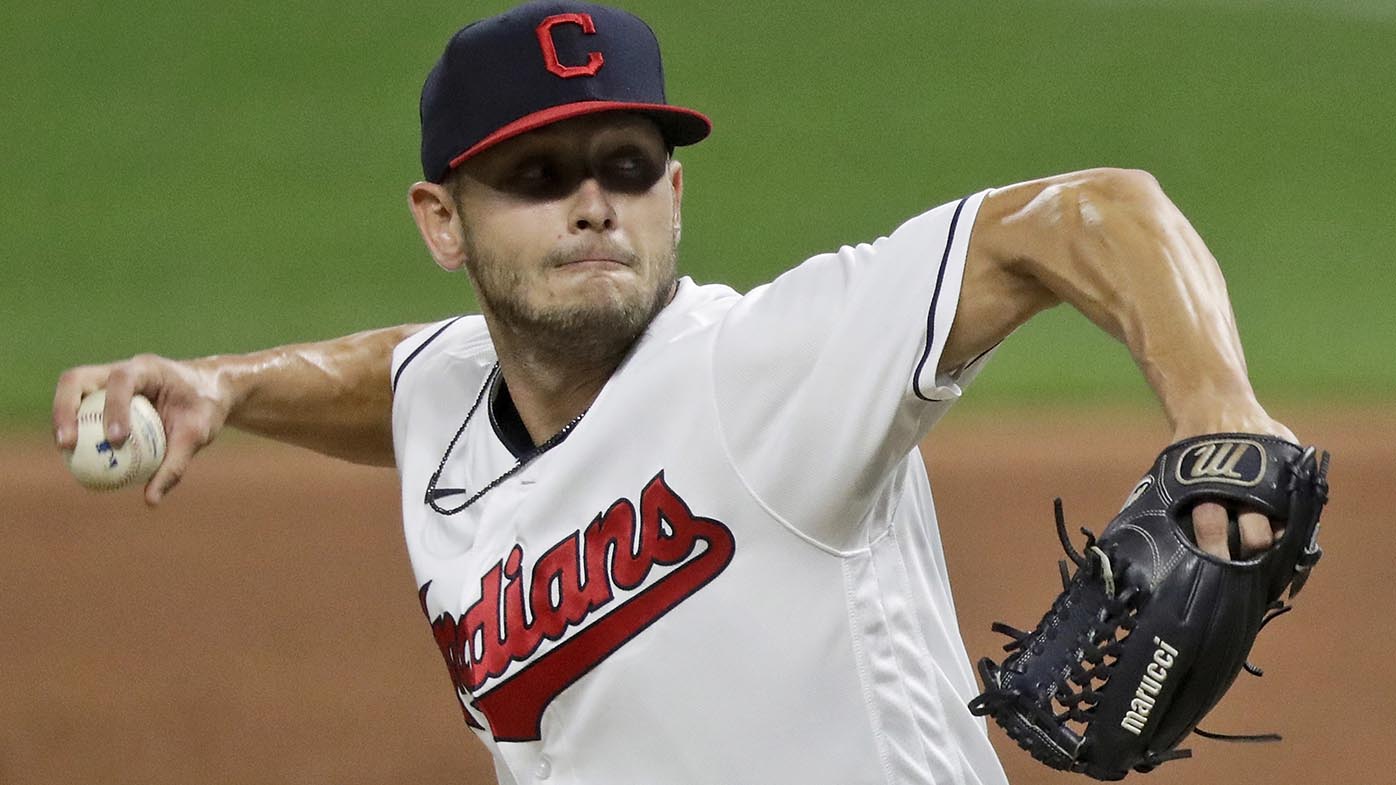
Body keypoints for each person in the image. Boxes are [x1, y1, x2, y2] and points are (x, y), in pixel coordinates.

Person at [52, 2, 1298, 783]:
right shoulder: (454, 395)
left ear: (674, 194)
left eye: (627, 165)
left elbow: (1092, 213)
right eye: (537, 175)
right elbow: (400, 381)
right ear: (442, 221)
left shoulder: (759, 367)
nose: (594, 201)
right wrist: (226, 385)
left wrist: (1218, 413)